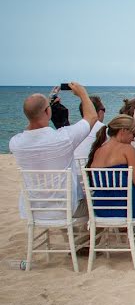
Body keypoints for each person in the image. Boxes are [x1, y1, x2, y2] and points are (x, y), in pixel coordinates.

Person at [10, 82, 99, 217]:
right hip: (67, 209)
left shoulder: (15, 143)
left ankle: (70, 237)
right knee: (98, 204)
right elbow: (92, 117)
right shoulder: (64, 138)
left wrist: (44, 105)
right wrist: (82, 94)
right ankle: (84, 238)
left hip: (34, 211)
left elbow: (34, 125)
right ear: (47, 111)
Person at [85, 114, 135, 225]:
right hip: (127, 207)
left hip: (102, 208)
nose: (134, 138)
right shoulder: (127, 149)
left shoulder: (98, 151)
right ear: (123, 131)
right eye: (133, 133)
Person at [74, 96, 106, 161]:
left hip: (73, 169)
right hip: (93, 169)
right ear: (100, 111)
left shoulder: (74, 129)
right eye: (104, 110)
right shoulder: (103, 128)